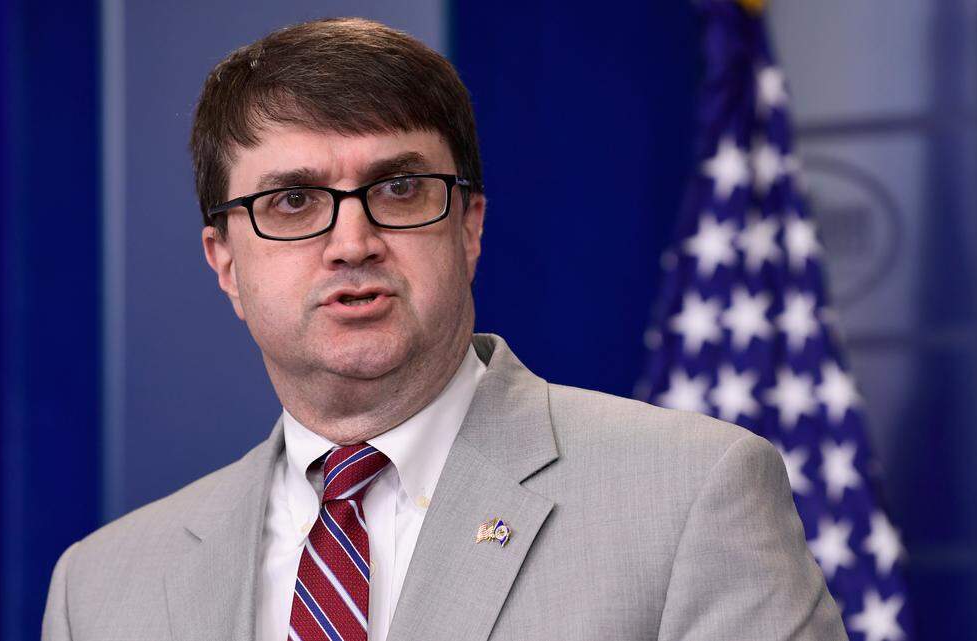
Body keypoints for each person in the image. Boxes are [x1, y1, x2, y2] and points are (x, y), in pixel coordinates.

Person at [42, 17, 847, 641]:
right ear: (224, 261)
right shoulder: (104, 586)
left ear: (468, 228)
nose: (352, 241)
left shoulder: (691, 495)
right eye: (292, 201)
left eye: (398, 187)